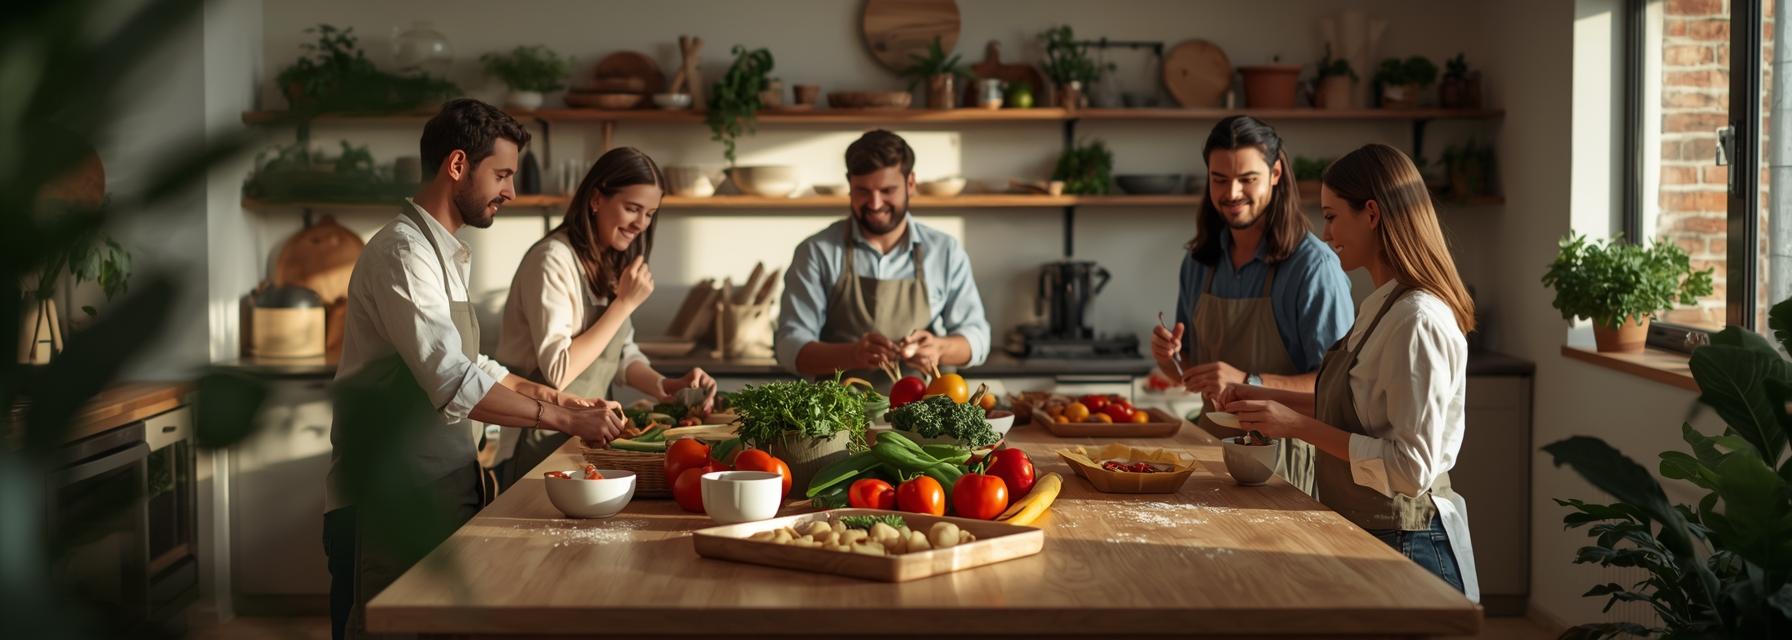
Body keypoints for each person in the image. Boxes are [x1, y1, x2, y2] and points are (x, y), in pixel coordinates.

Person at [322, 99, 625, 640]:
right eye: (502, 174)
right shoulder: (402, 253)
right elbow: (452, 380)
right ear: (458, 165)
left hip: (435, 487)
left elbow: (474, 364)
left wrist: (560, 399)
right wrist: (565, 421)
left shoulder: (444, 252)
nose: (511, 191)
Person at [1216, 143, 1479, 598]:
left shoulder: (1417, 319)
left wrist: (1295, 425)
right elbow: (1355, 408)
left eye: (1332, 216)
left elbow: (1411, 469)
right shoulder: (1383, 306)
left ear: (1371, 213)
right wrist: (1264, 399)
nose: (1326, 232)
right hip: (1369, 534)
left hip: (1408, 545)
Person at [1148, 115, 1354, 495]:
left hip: (1286, 466)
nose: (1232, 193)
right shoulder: (1198, 263)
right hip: (1210, 458)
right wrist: (1169, 358)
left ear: (1275, 174)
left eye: (1247, 179)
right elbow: (1189, 373)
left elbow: (1336, 391)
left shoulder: (1314, 267)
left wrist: (1248, 382)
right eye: (1219, 179)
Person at [494, 146, 715, 489]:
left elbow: (620, 354)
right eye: (632, 208)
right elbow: (559, 371)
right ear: (596, 199)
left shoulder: (611, 261)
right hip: (535, 441)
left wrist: (666, 387)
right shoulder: (551, 260)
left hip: (584, 439)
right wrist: (623, 304)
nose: (641, 224)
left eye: (650, 213)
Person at [776, 129, 990, 383]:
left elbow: (977, 338)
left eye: (887, 190)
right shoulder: (816, 252)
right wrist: (853, 354)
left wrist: (939, 349)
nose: (875, 204)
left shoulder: (945, 251)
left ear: (910, 184)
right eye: (863, 191)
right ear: (849, 185)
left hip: (924, 406)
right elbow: (789, 347)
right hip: (837, 407)